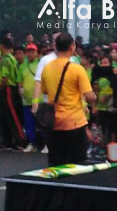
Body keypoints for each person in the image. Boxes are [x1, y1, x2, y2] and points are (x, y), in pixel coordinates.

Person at [36, 33, 95, 165]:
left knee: (57, 163)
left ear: (56, 46)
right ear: (72, 47)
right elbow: (89, 96)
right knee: (77, 164)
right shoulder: (77, 69)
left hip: (54, 122)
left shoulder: (47, 68)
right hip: (75, 122)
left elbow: (45, 90)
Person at [0, 33, 26, 150]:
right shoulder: (12, 58)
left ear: (2, 46)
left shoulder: (5, 60)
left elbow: (5, 78)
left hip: (8, 89)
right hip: (12, 89)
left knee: (12, 116)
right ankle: (7, 141)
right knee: (5, 116)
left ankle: (21, 140)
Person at [20, 43, 42, 152]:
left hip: (40, 99)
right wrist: (20, 88)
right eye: (28, 51)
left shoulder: (41, 64)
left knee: (42, 122)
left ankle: (46, 144)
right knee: (29, 123)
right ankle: (32, 143)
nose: (30, 53)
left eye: (32, 51)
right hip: (26, 100)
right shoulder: (23, 66)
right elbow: (20, 80)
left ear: (37, 53)